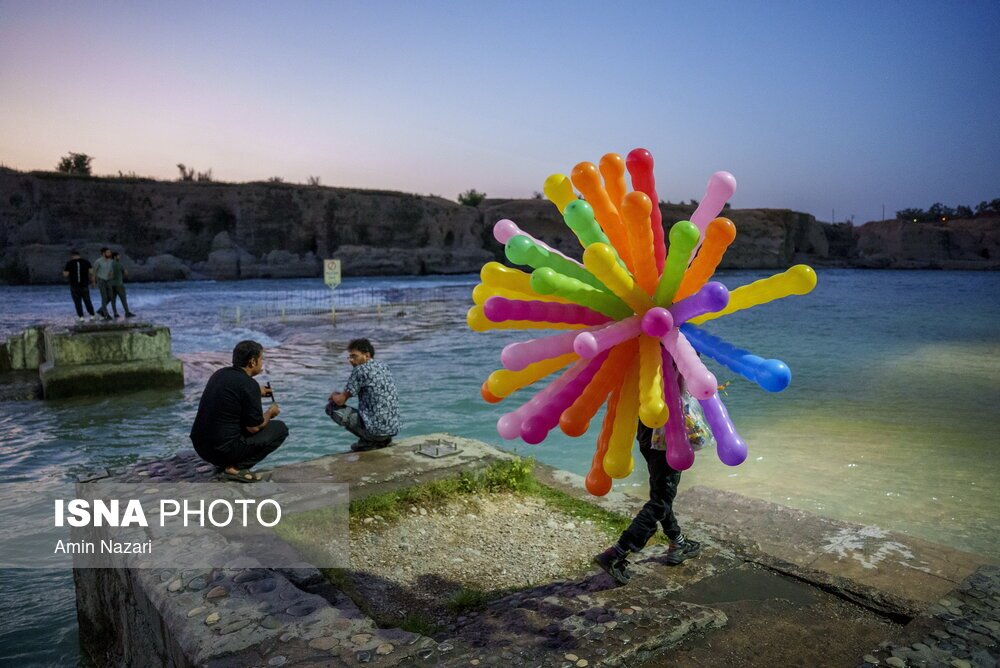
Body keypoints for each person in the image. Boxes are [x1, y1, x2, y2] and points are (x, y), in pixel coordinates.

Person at [593, 420, 702, 585]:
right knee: (661, 501)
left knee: (662, 493)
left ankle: (677, 541)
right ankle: (616, 552)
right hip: (666, 438)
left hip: (647, 433)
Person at [190, 340, 288, 482]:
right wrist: (270, 413)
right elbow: (254, 427)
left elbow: (234, 394)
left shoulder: (220, 374)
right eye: (261, 359)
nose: (262, 363)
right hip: (221, 451)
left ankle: (226, 463)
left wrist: (256, 392)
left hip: (201, 447)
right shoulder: (249, 384)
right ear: (252, 362)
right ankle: (235, 468)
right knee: (280, 429)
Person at [326, 338, 400, 451]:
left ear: (367, 355)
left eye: (354, 356)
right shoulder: (384, 366)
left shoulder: (360, 370)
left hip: (376, 431)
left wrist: (333, 395)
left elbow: (340, 401)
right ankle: (383, 440)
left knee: (331, 407)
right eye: (349, 357)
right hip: (393, 429)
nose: (351, 360)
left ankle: (369, 441)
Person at [63, 249, 96, 321]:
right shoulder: (86, 262)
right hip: (84, 285)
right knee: (87, 300)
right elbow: (91, 273)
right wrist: (93, 282)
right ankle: (92, 315)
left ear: (72, 256)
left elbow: (66, 274)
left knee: (77, 302)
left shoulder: (69, 263)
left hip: (74, 285)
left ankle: (81, 317)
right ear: (79, 255)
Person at [109, 251, 135, 318]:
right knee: (123, 299)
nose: (119, 257)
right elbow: (126, 273)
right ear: (115, 257)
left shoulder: (109, 264)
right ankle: (127, 312)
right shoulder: (119, 264)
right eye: (118, 256)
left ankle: (115, 313)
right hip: (119, 284)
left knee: (113, 300)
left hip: (111, 284)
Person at [93, 247, 115, 320]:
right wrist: (94, 282)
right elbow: (94, 272)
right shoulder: (98, 261)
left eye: (110, 252)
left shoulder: (111, 261)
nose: (110, 253)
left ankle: (100, 310)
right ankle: (105, 315)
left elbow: (111, 270)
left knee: (111, 297)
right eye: (108, 252)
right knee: (104, 297)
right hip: (101, 280)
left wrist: (111, 275)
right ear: (103, 253)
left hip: (109, 280)